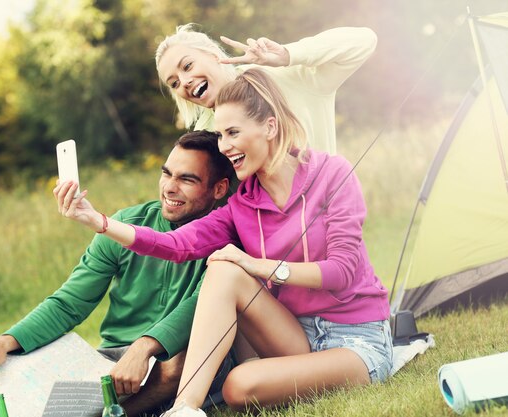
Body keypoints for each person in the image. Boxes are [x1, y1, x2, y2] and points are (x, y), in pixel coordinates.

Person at [55, 68, 392, 415]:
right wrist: (99, 222)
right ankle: (184, 409)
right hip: (295, 338)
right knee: (223, 272)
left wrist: (256, 266)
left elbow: (343, 272)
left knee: (239, 385)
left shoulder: (332, 173)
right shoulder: (242, 205)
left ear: (270, 127)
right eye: (220, 134)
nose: (224, 146)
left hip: (355, 338)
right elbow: (174, 245)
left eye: (232, 132)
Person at [0, 131, 235, 416]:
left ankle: (113, 413)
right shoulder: (125, 225)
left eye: (187, 179)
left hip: (176, 358)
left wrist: (144, 348)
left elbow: (200, 307)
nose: (169, 188)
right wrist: (4, 342)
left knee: (179, 360)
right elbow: (70, 302)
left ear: (219, 188)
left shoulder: (228, 237)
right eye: (166, 174)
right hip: (111, 359)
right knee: (15, 363)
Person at [155, 24, 377, 155]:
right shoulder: (205, 135)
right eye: (174, 83)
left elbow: (364, 41)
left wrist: (286, 55)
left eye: (187, 66)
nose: (184, 82)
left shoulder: (284, 75)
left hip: (326, 226)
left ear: (214, 56)